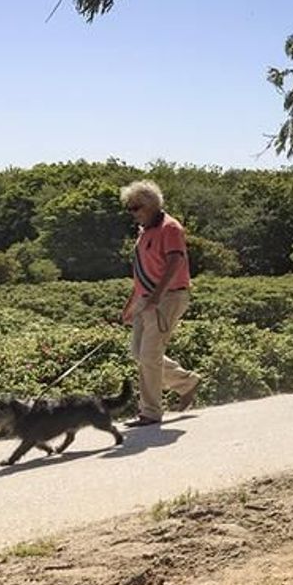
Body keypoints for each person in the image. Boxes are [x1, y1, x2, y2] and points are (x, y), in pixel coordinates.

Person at [119, 180, 203, 425]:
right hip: (146, 298)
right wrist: (130, 305)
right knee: (139, 352)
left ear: (151, 205)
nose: (132, 213)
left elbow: (175, 261)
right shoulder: (144, 232)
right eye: (129, 208)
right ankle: (187, 382)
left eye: (136, 208)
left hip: (168, 297)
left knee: (149, 355)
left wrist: (156, 297)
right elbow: (143, 273)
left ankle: (150, 412)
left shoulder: (170, 228)